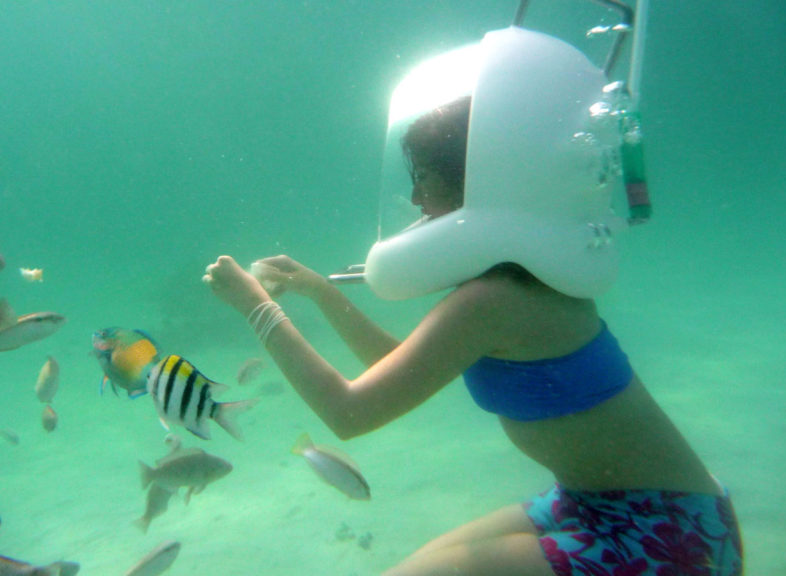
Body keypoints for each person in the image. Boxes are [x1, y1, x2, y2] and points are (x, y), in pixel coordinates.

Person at [203, 35, 742, 575]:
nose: (415, 199)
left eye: (426, 180)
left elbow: (350, 412)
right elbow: (397, 367)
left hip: (669, 535)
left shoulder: (495, 297)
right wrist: (320, 290)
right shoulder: (513, 278)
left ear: (476, 185)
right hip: (601, 504)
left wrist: (254, 306)